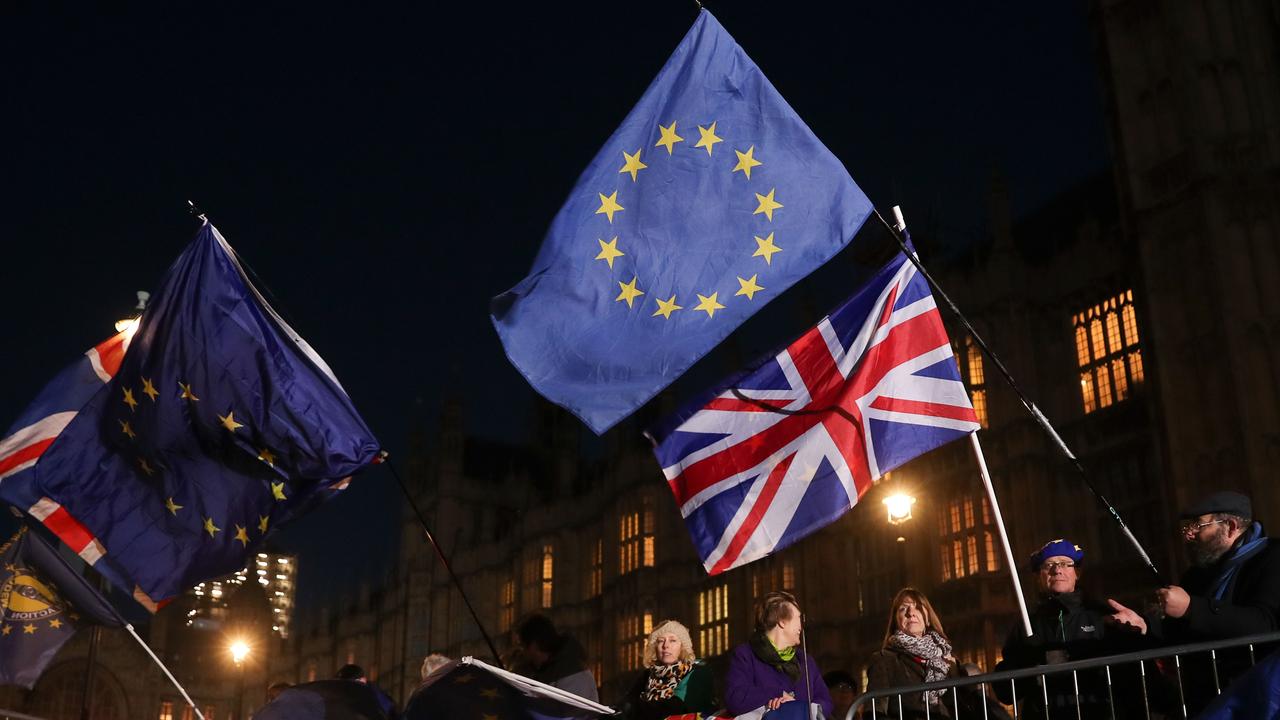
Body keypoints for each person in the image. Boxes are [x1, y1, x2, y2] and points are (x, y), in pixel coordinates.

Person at [1107, 491, 1280, 712]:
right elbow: (1177, 634)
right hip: (1207, 701)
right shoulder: (1196, 575)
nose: (1188, 535)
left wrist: (1192, 608)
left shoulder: (1272, 557)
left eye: (1198, 525)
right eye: (1186, 527)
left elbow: (1265, 623)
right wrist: (1144, 626)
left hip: (1258, 699)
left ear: (1230, 526)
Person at [993, 539, 1137, 719]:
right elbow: (1005, 692)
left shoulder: (1101, 616)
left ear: (1077, 572)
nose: (1057, 570)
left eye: (1065, 563)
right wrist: (1029, 663)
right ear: (1039, 576)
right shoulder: (1026, 624)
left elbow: (1132, 678)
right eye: (1049, 565)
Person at [724, 591, 833, 718]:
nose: (801, 626)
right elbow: (735, 697)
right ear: (782, 621)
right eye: (798, 618)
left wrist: (798, 707)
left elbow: (826, 702)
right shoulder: (746, 655)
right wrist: (776, 694)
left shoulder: (805, 660)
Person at [864, 588, 958, 719]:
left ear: (928, 620)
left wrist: (956, 672)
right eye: (903, 608)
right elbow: (875, 712)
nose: (911, 613)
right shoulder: (884, 660)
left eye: (918, 607)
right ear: (896, 620)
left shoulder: (947, 658)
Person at [618, 619, 715, 720]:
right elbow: (626, 703)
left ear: (682, 647)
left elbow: (677, 707)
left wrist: (634, 710)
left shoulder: (697, 672)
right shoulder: (647, 675)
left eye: (672, 640)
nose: (665, 646)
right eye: (660, 641)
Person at [516, 614, 600, 705]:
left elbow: (568, 713)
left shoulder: (572, 670)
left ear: (534, 646)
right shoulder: (542, 671)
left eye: (522, 646)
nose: (521, 653)